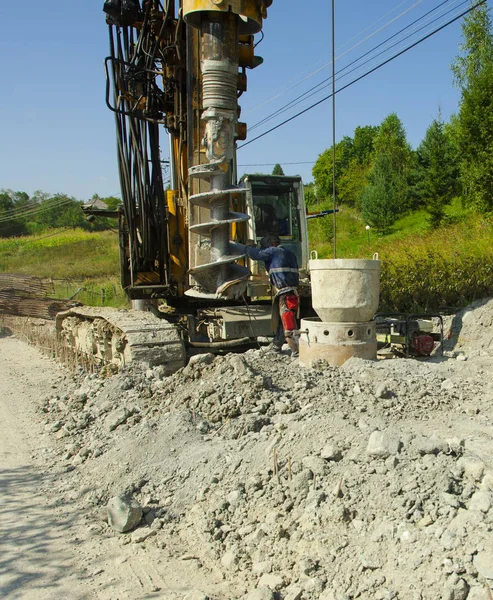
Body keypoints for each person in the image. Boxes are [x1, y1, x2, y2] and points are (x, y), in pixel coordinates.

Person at [241, 233, 300, 356]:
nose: (265, 251)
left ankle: (296, 351)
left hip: (285, 292)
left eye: (266, 248)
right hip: (292, 291)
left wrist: (248, 247)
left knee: (287, 320)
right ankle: (276, 346)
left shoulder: (274, 251)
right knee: (281, 321)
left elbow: (255, 255)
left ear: (272, 244)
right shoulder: (291, 254)